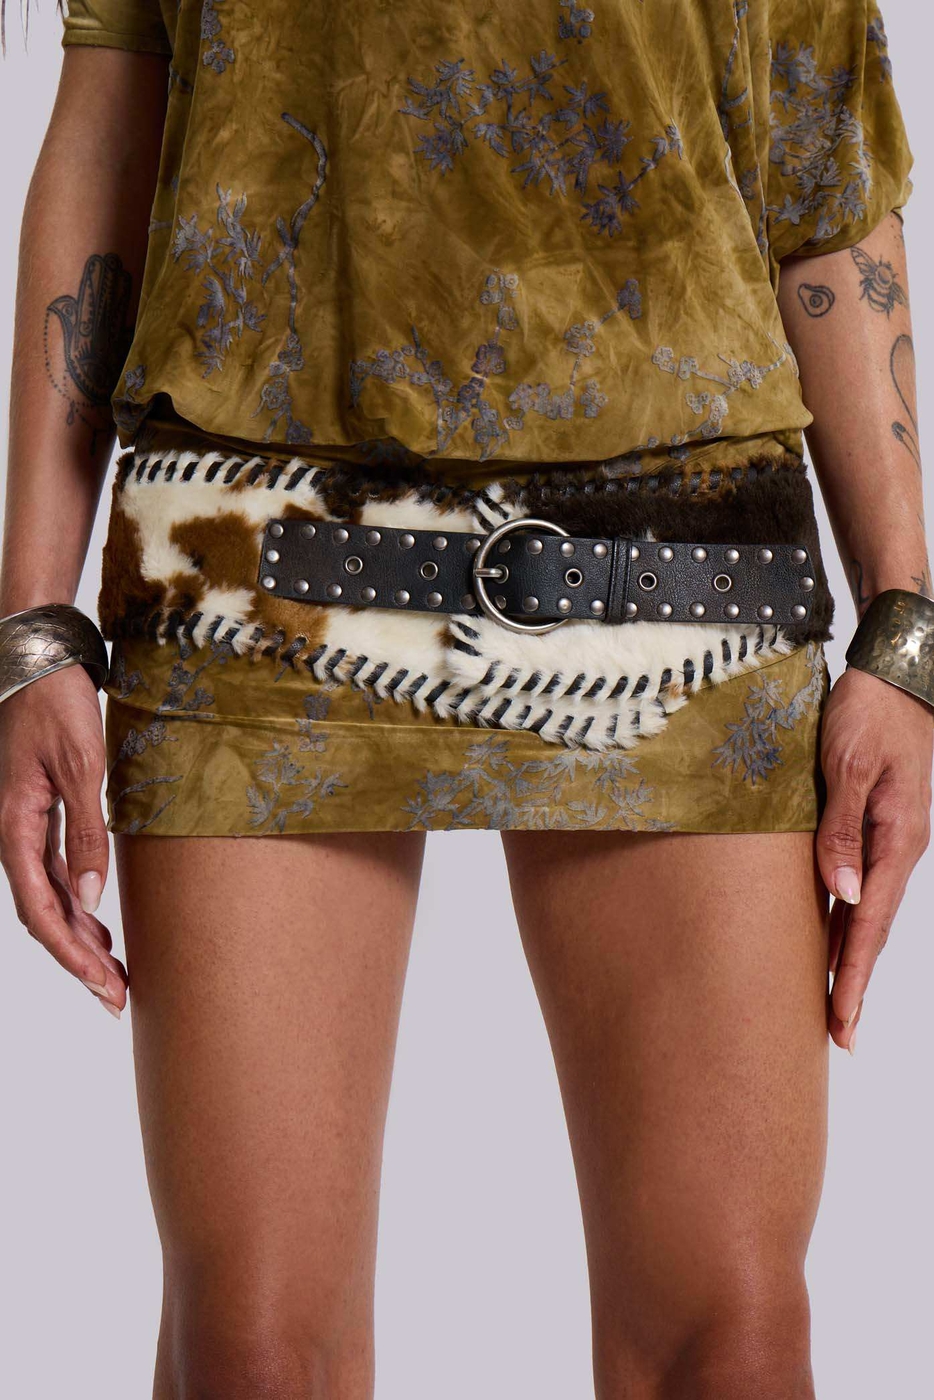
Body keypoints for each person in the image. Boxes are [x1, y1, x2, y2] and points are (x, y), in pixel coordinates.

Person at [1, 1, 931, 1395]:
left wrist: (903, 628)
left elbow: (819, 162)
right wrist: (33, 626)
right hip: (251, 559)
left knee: (732, 1339)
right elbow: (108, 131)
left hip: (682, 566)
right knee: (252, 1350)